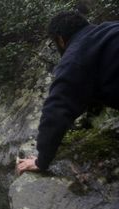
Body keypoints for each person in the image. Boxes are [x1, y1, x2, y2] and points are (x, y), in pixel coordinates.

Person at [16, 11, 119, 175]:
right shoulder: (111, 29)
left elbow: (56, 110)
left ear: (60, 40)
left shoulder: (75, 57)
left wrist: (41, 161)